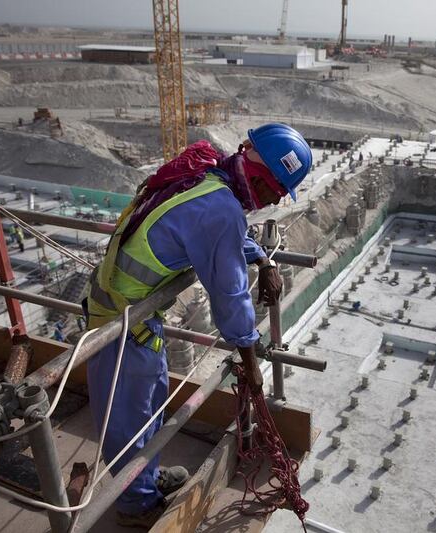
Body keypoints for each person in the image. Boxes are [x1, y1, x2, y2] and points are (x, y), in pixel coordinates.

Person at [82, 123, 312, 528]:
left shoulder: (209, 171)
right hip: (120, 321)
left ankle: (146, 481)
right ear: (259, 175)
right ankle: (136, 506)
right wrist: (251, 360)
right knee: (131, 418)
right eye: (270, 193)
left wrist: (263, 258)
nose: (266, 203)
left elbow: (218, 228)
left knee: (151, 402)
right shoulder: (220, 208)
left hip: (132, 313)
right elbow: (230, 296)